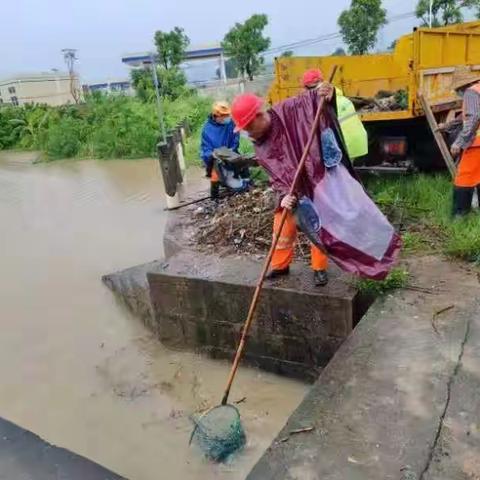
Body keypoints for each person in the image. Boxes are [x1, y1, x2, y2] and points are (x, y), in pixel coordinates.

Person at [230, 88, 400, 285]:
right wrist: (284, 194)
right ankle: (280, 265)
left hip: (315, 182)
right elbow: (274, 174)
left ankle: (320, 269)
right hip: (290, 193)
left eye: (249, 127)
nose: (249, 133)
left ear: (259, 116)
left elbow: (314, 100)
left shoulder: (289, 110)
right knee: (281, 228)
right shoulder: (260, 144)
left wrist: (326, 93)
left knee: (319, 227)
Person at [303, 68, 368, 162]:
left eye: (308, 88)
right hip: (357, 141)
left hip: (344, 144)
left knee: (338, 173)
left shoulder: (324, 102)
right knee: (347, 172)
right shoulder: (340, 97)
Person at [449, 71, 480, 216]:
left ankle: (460, 216)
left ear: (463, 86)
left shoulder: (471, 92)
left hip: (476, 144)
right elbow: (469, 114)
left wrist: (459, 142)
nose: (458, 93)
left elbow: (473, 117)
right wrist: (449, 124)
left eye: (457, 90)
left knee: (464, 179)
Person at [200, 101, 240, 199]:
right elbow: (206, 148)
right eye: (223, 115)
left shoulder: (230, 124)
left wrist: (231, 150)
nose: (225, 118)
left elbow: (235, 138)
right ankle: (214, 197)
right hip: (215, 157)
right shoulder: (207, 129)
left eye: (226, 115)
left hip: (230, 153)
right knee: (215, 171)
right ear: (215, 116)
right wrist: (215, 155)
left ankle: (243, 180)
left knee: (240, 164)